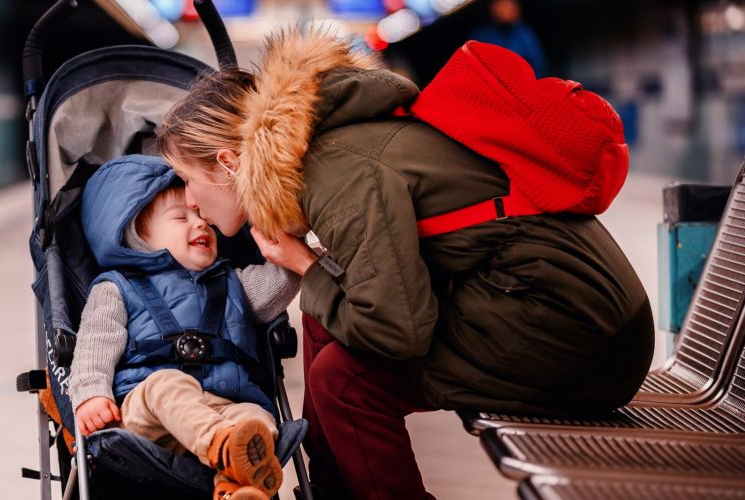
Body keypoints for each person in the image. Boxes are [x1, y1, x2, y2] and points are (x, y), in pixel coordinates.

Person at [154, 30, 653, 499]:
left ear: (228, 163)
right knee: (324, 321)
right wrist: (317, 274)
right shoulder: (331, 149)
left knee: (344, 381)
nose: (191, 204)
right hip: (565, 312)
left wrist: (307, 266)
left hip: (581, 339)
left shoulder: (339, 175)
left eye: (187, 180)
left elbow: (394, 330)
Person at [69, 154, 302, 499]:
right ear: (137, 237)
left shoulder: (233, 283)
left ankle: (232, 489)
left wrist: (293, 239)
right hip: (148, 412)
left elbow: (284, 275)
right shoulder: (117, 288)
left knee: (260, 421)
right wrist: (91, 393)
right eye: (181, 217)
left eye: (203, 216)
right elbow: (95, 343)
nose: (200, 224)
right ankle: (226, 450)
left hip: (225, 405)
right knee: (167, 384)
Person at [469, 0, 547, 75]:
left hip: (520, 84)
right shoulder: (481, 35)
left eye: (511, 5)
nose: (507, 9)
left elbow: (538, 66)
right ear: (493, 8)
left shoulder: (525, 34)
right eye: (502, 4)